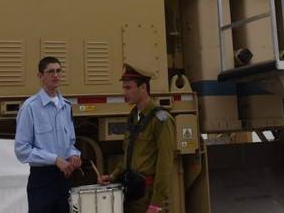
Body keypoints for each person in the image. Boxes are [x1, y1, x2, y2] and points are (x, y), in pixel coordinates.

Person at [99, 64, 175, 213]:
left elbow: (165, 164)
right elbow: (129, 155)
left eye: (128, 88)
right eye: (124, 88)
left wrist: (155, 204)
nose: (124, 92)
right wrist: (113, 176)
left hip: (146, 194)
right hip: (132, 192)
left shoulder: (161, 119)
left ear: (143, 88)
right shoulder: (134, 117)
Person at [15, 57, 82, 213]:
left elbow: (71, 141)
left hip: (65, 178)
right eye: (50, 71)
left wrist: (73, 154)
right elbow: (21, 149)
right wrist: (55, 159)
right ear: (40, 76)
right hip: (42, 179)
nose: (55, 75)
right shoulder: (30, 107)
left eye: (58, 71)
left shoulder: (66, 106)